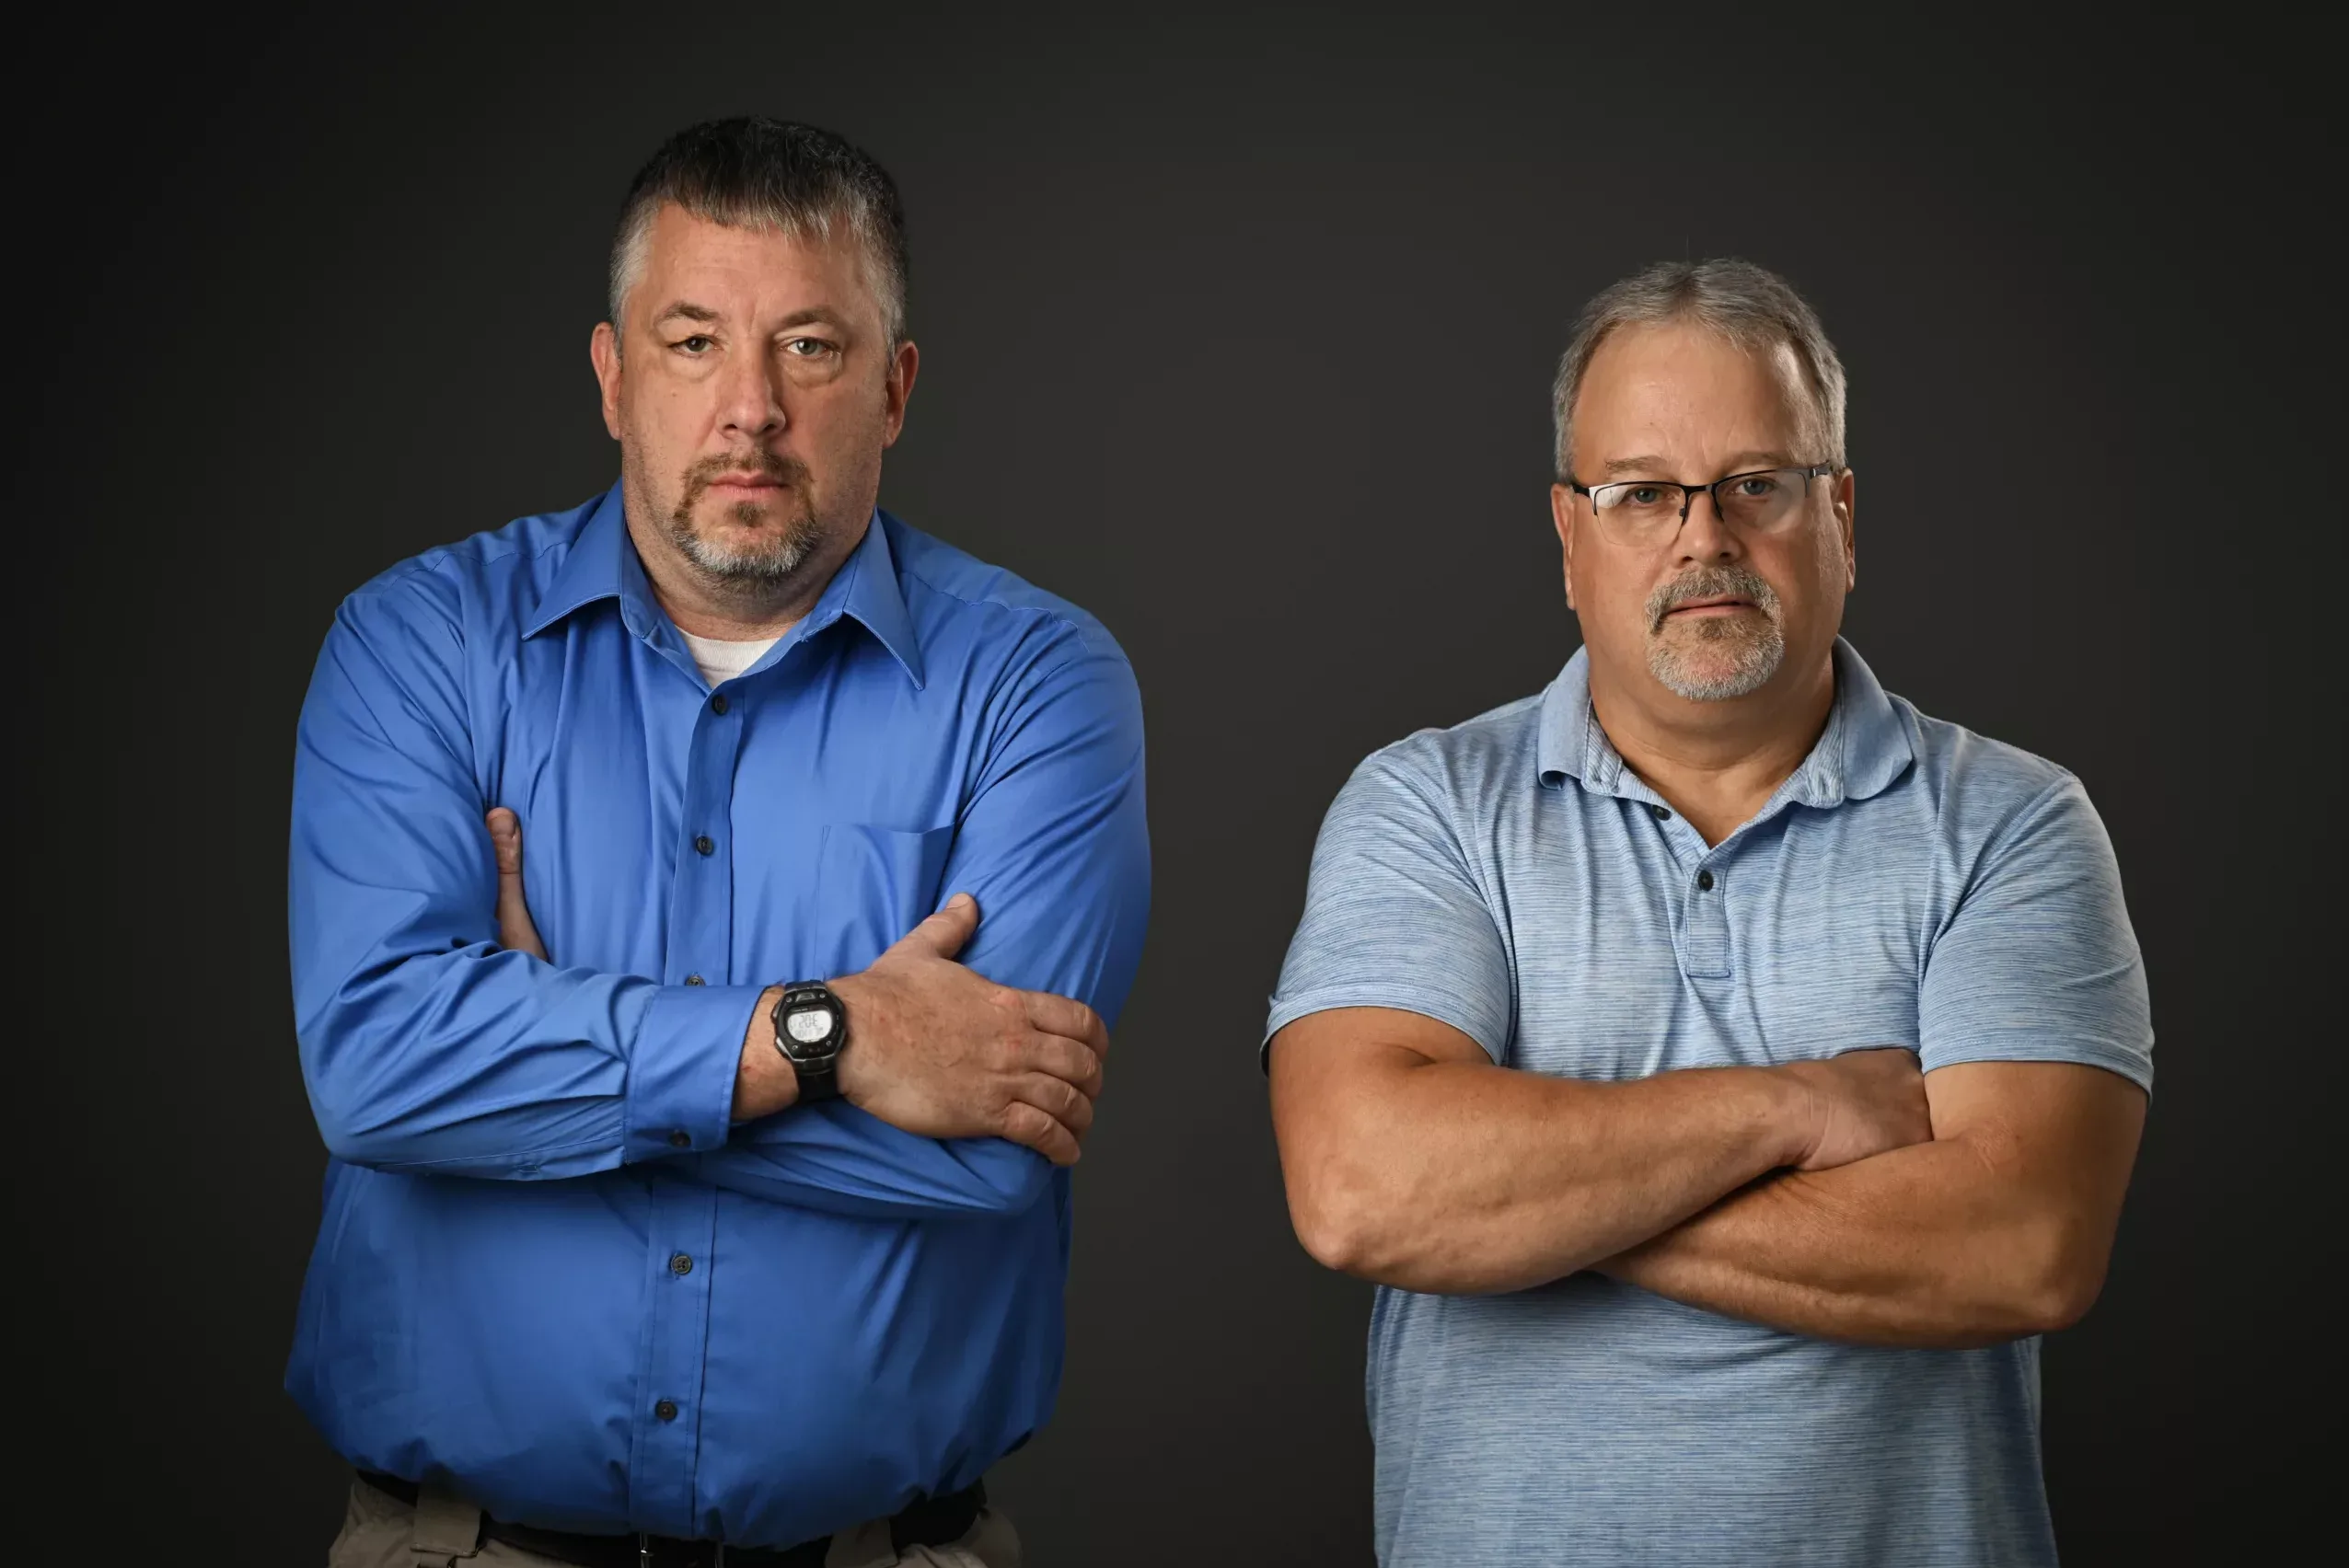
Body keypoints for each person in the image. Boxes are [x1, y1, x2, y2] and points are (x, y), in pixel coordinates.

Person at [288, 117, 1149, 1566]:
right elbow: (377, 1071)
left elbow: (993, 1151)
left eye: (808, 347)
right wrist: (826, 1039)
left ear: (895, 385)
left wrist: (534, 1065)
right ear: (616, 379)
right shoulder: (418, 644)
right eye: (692, 342)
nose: (748, 407)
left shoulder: (1037, 684)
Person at [1263, 259, 2150, 1567]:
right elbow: (1360, 1188)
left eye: (1759, 484)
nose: (1705, 537)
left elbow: (2023, 1249)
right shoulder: (1428, 807)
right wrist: (1795, 1109)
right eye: (1642, 495)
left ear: (1842, 512)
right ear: (1570, 537)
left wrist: (1536, 1204)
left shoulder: (2011, 824)